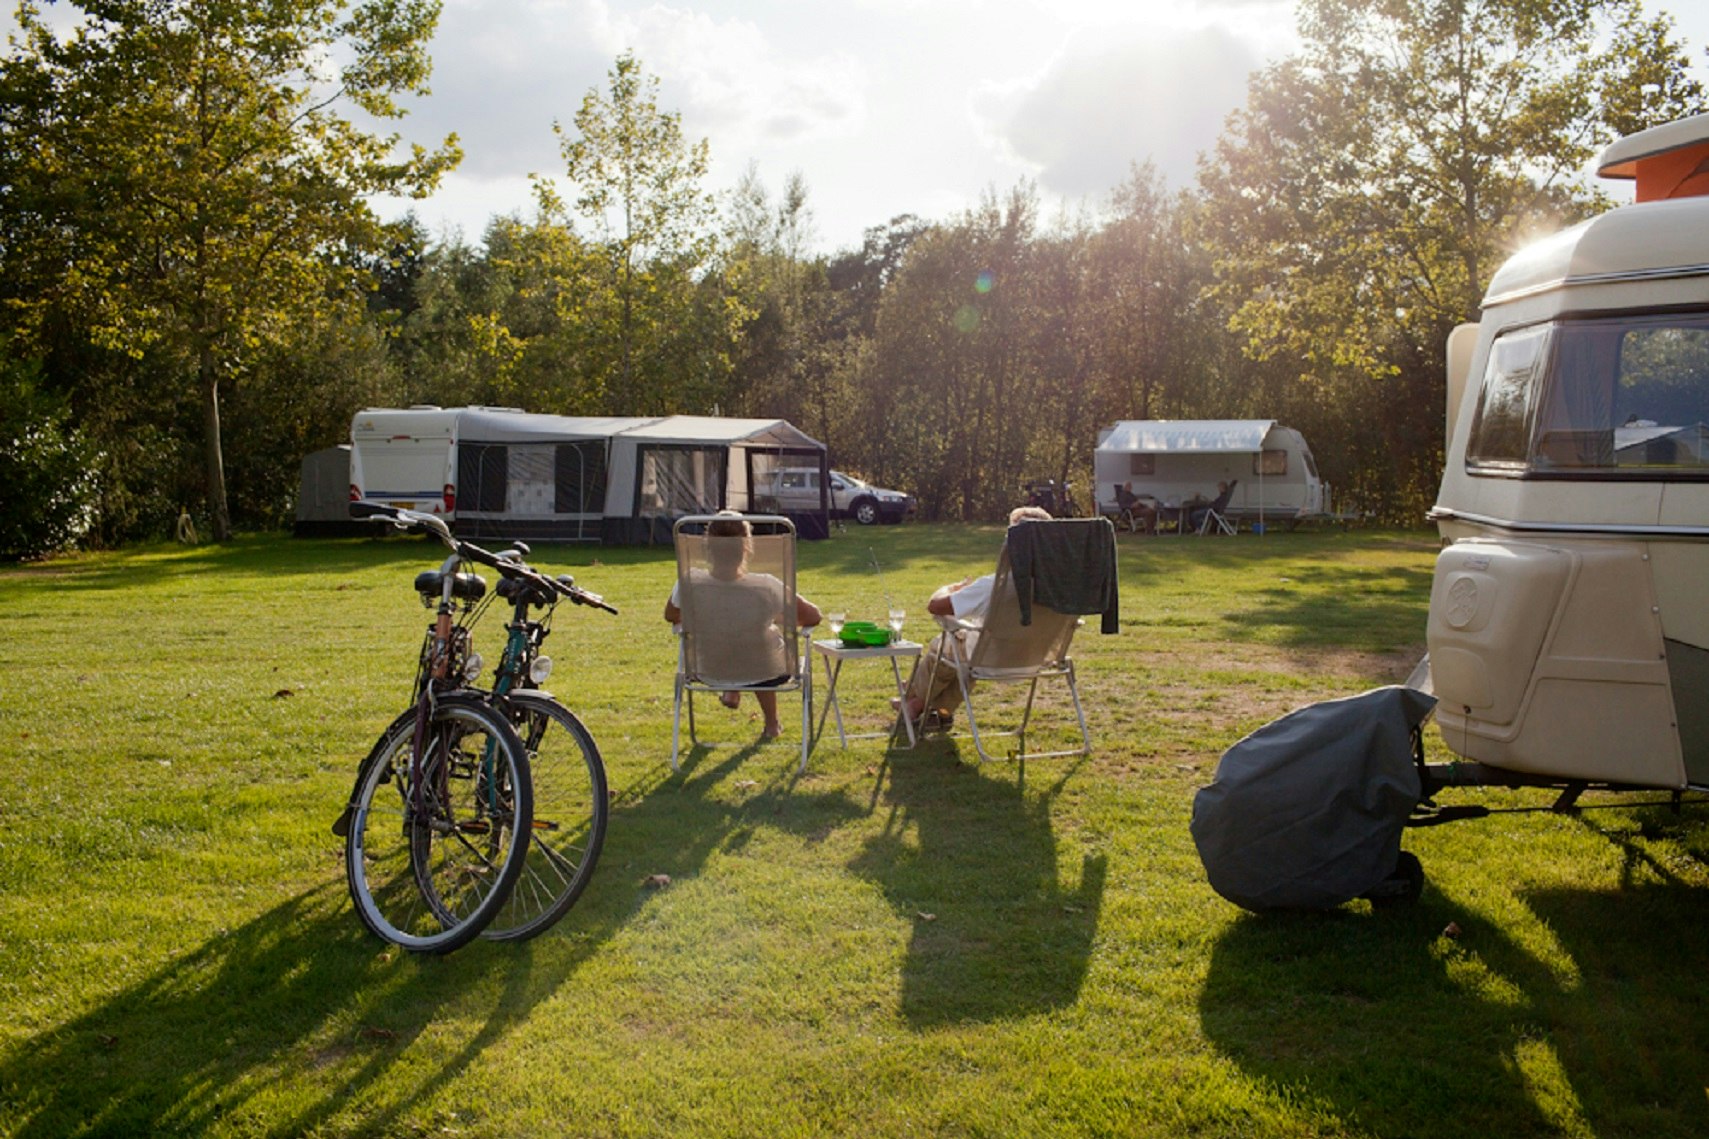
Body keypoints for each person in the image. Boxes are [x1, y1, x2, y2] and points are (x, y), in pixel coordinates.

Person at [665, 511, 821, 740]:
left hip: (709, 668)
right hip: (766, 670)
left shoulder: (690, 582)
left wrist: (710, 616)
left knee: (744, 639)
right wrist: (772, 618)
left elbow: (671, 615)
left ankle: (732, 689)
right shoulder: (765, 586)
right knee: (761, 642)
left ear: (707, 546)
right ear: (747, 547)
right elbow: (813, 616)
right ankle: (771, 724)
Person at [898, 505, 1053, 729]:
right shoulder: (1059, 587)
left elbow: (935, 607)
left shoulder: (995, 585)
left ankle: (913, 699)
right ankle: (938, 710)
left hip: (991, 661)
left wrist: (950, 588)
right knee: (963, 653)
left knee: (946, 645)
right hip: (1034, 659)